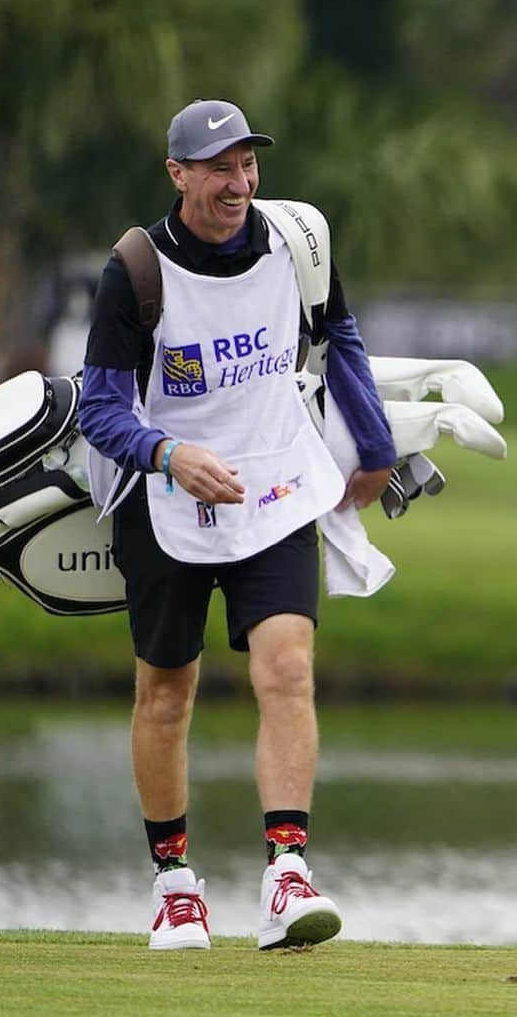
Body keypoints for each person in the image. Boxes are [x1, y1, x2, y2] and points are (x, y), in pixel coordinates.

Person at [79, 99, 397, 951]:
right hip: (165, 498)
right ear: (178, 173)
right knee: (166, 693)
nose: (239, 182)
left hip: (277, 482)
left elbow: (339, 332)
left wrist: (374, 440)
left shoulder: (296, 242)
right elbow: (100, 411)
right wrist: (167, 454)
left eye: (248, 164)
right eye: (219, 167)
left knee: (289, 669)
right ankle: (175, 886)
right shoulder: (135, 269)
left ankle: (287, 874)